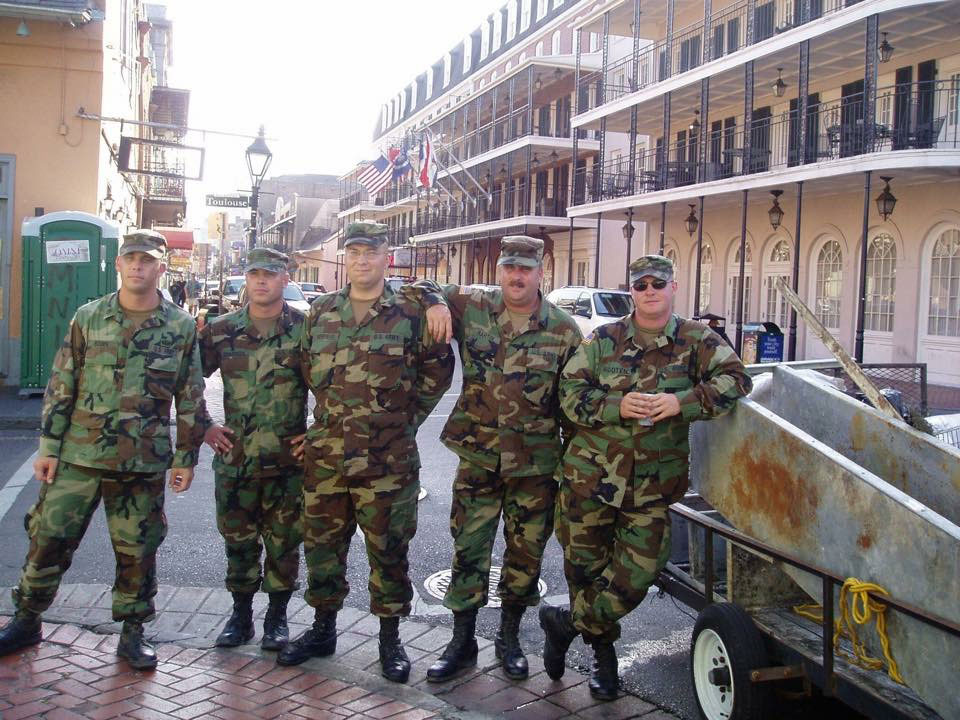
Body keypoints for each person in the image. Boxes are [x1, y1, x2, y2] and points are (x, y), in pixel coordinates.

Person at [540, 255, 752, 700]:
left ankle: (564, 625)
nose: (650, 291)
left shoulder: (697, 340)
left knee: (638, 573)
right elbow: (568, 394)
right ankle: (604, 658)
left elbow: (736, 380)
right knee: (585, 572)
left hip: (653, 487)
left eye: (659, 283)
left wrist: (683, 402)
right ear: (631, 291)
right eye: (641, 285)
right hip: (589, 481)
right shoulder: (602, 340)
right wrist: (616, 405)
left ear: (674, 287)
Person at [0, 230, 208, 670]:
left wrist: (187, 458)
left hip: (141, 462)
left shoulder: (180, 327)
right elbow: (62, 384)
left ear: (160, 268)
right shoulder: (89, 318)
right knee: (48, 538)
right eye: (131, 259)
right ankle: (26, 618)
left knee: (137, 549)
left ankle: (133, 633)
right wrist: (48, 446)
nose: (138, 266)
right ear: (118, 264)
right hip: (78, 456)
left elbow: (191, 397)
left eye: (147, 260)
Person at [278, 221, 454, 685]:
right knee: (322, 548)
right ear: (346, 258)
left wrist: (403, 422)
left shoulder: (411, 312)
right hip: (328, 457)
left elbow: (437, 372)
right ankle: (322, 630)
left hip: (388, 462)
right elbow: (304, 370)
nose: (361, 260)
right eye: (353, 252)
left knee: (389, 551)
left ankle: (390, 638)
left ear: (385, 256)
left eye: (370, 252)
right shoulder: (321, 312)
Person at [410, 236, 582, 683]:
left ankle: (509, 639)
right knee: (469, 549)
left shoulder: (563, 330)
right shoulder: (472, 304)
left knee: (525, 556)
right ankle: (461, 641)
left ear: (540, 273)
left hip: (536, 465)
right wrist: (435, 303)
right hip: (479, 456)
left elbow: (577, 403)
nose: (517, 276)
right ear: (500, 270)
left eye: (526, 268)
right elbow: (414, 283)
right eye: (509, 267)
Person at [199, 248, 308, 652]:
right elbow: (186, 380)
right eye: (254, 274)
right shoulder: (221, 329)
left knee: (284, 543)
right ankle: (241, 615)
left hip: (288, 462)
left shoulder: (305, 330)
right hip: (237, 459)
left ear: (285, 279)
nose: (261, 281)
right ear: (246, 278)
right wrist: (205, 426)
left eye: (270, 274)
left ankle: (277, 617)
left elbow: (336, 388)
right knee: (239, 542)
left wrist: (318, 432)